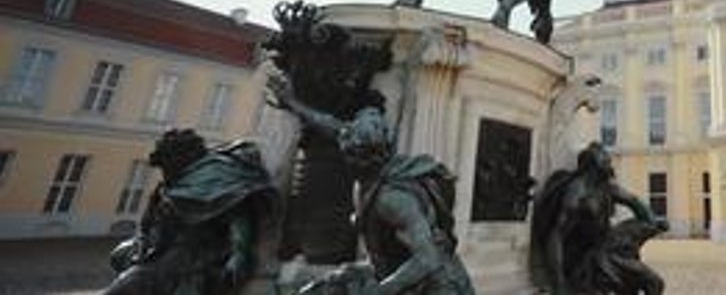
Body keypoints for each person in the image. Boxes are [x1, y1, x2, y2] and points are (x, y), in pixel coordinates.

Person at [268, 73, 474, 295]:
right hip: (390, 270)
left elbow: (427, 259)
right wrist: (292, 103)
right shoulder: (365, 153)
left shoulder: (392, 199)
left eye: (350, 154)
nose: (345, 156)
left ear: (360, 158)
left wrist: (379, 291)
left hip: (435, 287)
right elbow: (331, 126)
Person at [104, 129, 275, 295]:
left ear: (180, 159)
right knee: (118, 256)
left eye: (167, 163)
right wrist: (141, 241)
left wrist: (239, 255)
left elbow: (238, 217)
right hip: (157, 245)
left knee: (131, 282)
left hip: (191, 250)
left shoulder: (210, 181)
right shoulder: (168, 187)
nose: (164, 171)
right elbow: (146, 223)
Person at [530, 142, 665, 295]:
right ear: (594, 162)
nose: (610, 162)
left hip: (608, 251)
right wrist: (559, 284)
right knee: (652, 283)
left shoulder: (606, 187)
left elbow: (634, 201)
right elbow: (557, 236)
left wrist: (651, 222)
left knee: (654, 284)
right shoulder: (577, 193)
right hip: (588, 262)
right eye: (606, 159)